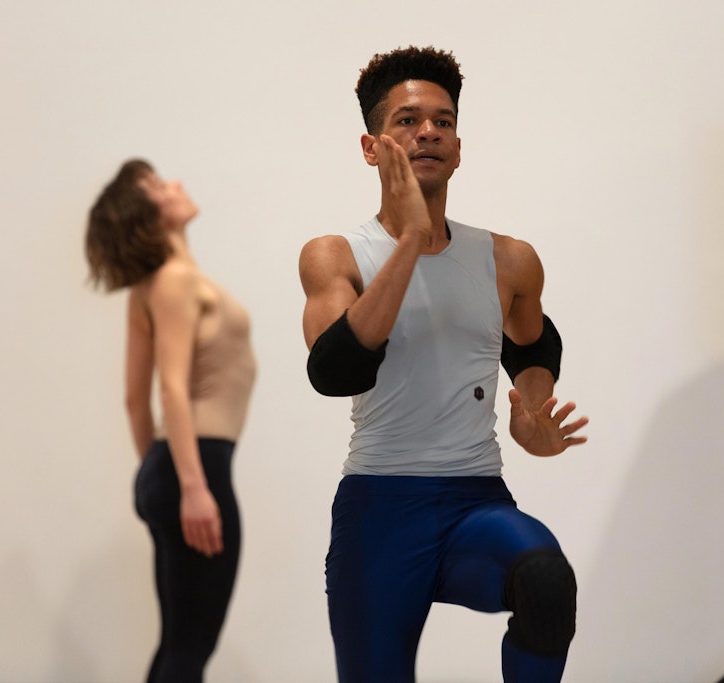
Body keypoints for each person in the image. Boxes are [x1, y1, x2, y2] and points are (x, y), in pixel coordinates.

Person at [298, 46, 589, 682]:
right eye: (406, 120)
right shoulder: (334, 255)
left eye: (444, 120)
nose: (428, 130)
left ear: (457, 146)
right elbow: (338, 369)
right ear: (372, 148)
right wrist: (409, 239)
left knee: (545, 581)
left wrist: (533, 412)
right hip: (379, 506)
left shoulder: (508, 259)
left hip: (475, 501)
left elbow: (533, 341)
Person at [86, 159, 256, 683]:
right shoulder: (176, 280)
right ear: (146, 215)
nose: (177, 183)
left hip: (174, 467)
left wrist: (158, 476)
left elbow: (133, 401)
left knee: (180, 644)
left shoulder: (152, 287)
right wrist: (190, 486)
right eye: (160, 186)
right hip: (198, 465)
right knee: (189, 647)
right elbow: (169, 391)